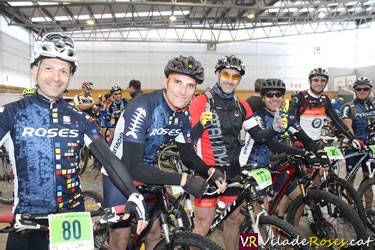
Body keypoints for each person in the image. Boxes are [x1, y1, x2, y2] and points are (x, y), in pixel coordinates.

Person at [0, 32, 148, 249]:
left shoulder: (80, 119)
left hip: (72, 221)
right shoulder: (11, 113)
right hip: (27, 224)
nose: (56, 77)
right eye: (49, 68)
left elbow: (109, 159)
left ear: (70, 76)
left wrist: (133, 193)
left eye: (64, 70)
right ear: (35, 70)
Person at [102, 55, 213, 249]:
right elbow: (132, 167)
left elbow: (187, 155)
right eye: (178, 82)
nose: (183, 91)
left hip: (147, 171)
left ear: (195, 90)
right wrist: (184, 180)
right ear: (166, 82)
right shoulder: (143, 106)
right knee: (121, 236)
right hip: (118, 172)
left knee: (154, 232)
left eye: (190, 86)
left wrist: (211, 171)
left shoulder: (183, 115)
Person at [187, 55, 290, 250]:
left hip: (233, 171)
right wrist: (201, 124)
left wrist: (275, 129)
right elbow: (189, 140)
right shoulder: (201, 102)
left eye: (235, 76)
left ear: (240, 79)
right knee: (203, 225)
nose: (229, 79)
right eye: (226, 74)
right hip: (206, 171)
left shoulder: (242, 105)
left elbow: (259, 135)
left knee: (234, 220)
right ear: (218, 74)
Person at [246, 79, 329, 219]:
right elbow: (272, 145)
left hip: (273, 166)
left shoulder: (286, 117)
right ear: (263, 98)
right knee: (259, 216)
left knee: (299, 200)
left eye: (278, 95)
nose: (274, 98)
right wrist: (304, 154)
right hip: (253, 168)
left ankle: (289, 238)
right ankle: (249, 239)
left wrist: (320, 151)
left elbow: (306, 139)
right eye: (269, 95)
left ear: (282, 97)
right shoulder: (257, 117)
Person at [288, 67, 363, 149]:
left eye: (323, 80)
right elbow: (290, 120)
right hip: (300, 143)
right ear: (310, 82)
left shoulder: (325, 99)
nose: (319, 83)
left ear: (326, 83)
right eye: (316, 80)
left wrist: (352, 138)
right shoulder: (300, 98)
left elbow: (336, 120)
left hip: (316, 143)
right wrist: (294, 139)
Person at [341, 77, 375, 214]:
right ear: (354, 91)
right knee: (351, 177)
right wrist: (355, 140)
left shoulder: (374, 106)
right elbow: (347, 125)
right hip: (353, 147)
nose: (362, 91)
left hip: (370, 149)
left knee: (368, 179)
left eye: (365, 88)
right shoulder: (349, 107)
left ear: (370, 90)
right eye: (359, 89)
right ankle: (350, 208)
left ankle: (368, 209)